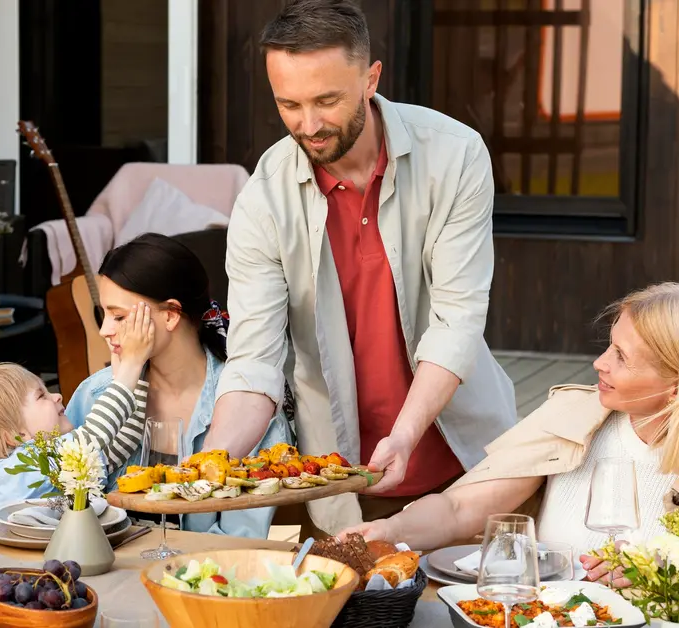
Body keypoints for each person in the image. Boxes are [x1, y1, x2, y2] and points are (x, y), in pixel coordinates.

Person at [202, 0, 517, 535]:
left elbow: (456, 322)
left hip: (468, 467)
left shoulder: (456, 156)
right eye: (289, 105)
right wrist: (207, 463)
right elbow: (254, 361)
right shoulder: (262, 199)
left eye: (327, 100)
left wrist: (405, 433)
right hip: (346, 480)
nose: (309, 125)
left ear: (371, 78)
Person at [342, 282, 679, 582]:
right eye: (609, 346)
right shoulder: (575, 416)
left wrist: (654, 579)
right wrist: (389, 530)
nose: (599, 363)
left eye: (621, 357)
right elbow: (460, 507)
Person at [65, 233, 294, 539]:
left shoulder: (250, 408)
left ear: (171, 314)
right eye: (103, 314)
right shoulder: (94, 396)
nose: (105, 330)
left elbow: (239, 539)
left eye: (118, 316)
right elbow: (61, 501)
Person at [0, 304, 155, 511]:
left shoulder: (34, 468)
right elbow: (97, 433)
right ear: (16, 435)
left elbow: (119, 446)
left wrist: (133, 366)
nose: (57, 396)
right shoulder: (24, 465)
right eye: (41, 395)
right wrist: (132, 363)